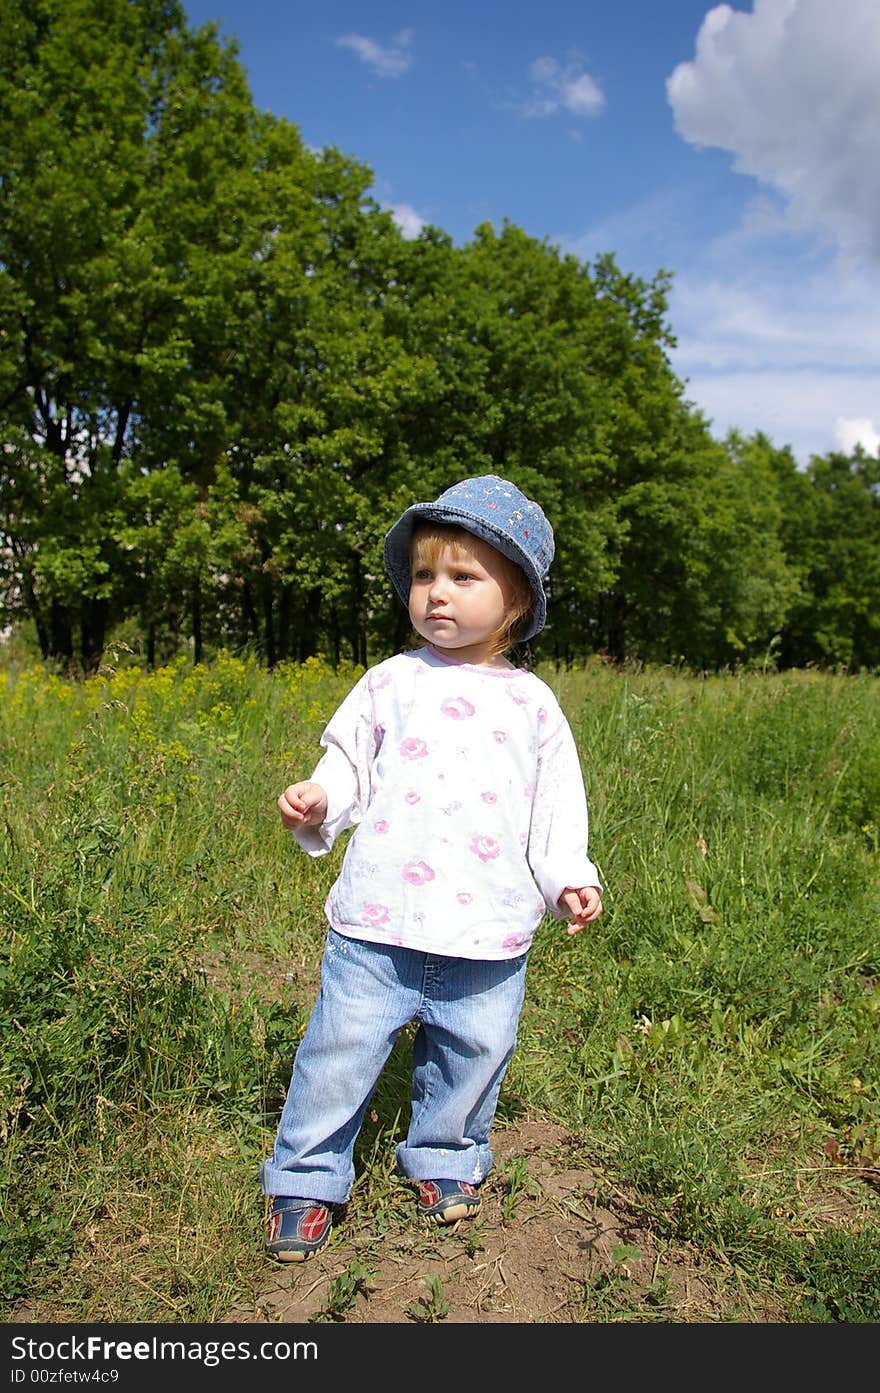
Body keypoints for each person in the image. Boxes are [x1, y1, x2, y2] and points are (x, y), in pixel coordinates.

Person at [262, 474, 603, 1261]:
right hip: (379, 922)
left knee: (472, 1054)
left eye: (462, 576)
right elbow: (349, 762)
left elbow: (555, 806)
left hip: (487, 930)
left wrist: (568, 875)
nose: (436, 594)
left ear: (515, 599)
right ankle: (306, 1175)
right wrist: (320, 798)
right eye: (423, 575)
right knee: (339, 1051)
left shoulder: (533, 704)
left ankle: (446, 1156)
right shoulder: (391, 681)